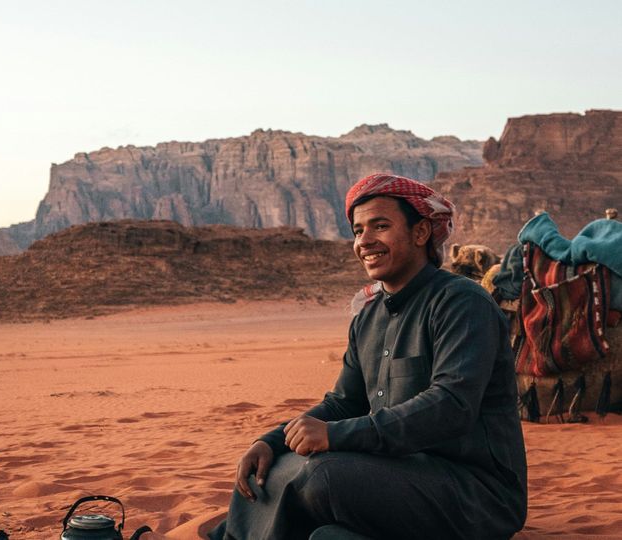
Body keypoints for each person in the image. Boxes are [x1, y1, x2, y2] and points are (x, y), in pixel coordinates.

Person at [208, 173, 527, 540]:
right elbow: (344, 403)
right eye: (358, 231)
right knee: (275, 471)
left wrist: (334, 436)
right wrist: (271, 440)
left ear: (421, 232)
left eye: (380, 226)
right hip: (399, 475)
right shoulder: (369, 317)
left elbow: (451, 406)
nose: (365, 241)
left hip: (475, 492)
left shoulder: (461, 303)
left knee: (321, 477)